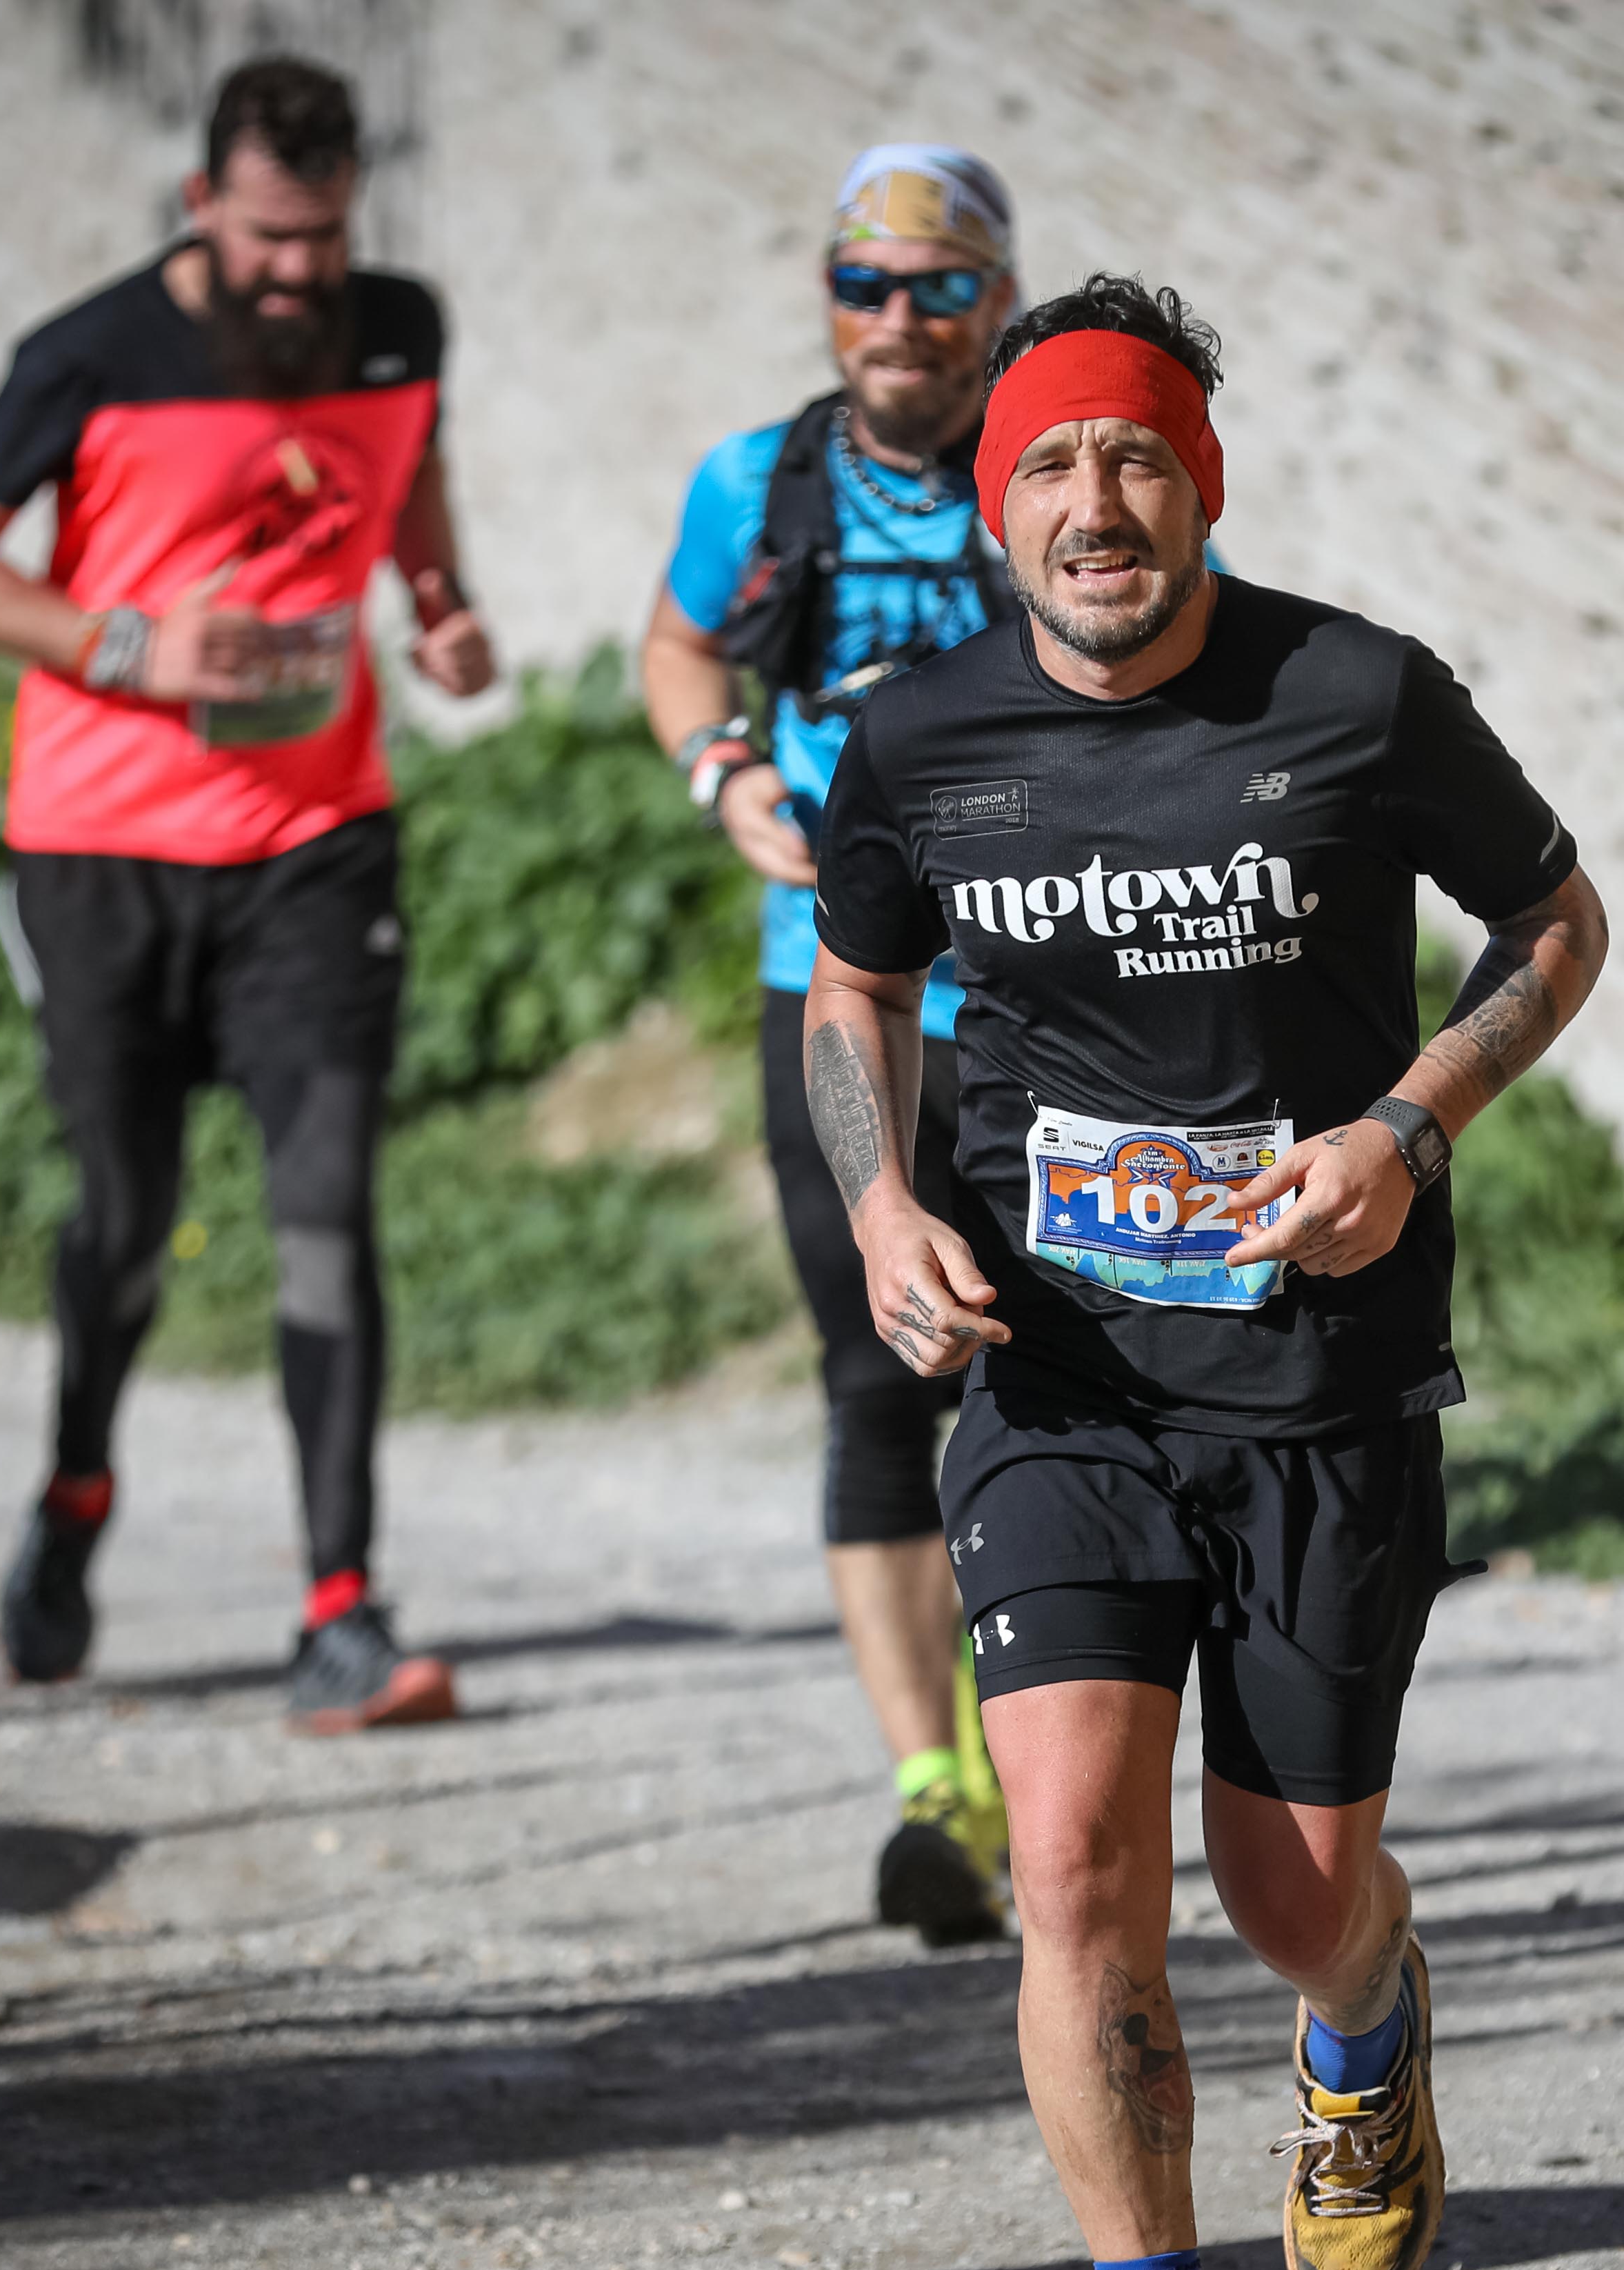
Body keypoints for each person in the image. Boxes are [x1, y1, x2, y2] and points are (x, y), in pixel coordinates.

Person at [806, 277, 1610, 2270]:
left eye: (1134, 456)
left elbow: (1554, 923)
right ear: (996, 504)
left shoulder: (1349, 692)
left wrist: (1410, 1125)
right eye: (1049, 463)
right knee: (1068, 1870)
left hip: (1318, 1391)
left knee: (1288, 1887)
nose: (1094, 501)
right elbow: (855, 975)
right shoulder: (916, 734)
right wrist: (879, 1192)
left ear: (1200, 483)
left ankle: (1366, 2024)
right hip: (1056, 1378)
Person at [0, 53, 494, 1729]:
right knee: (130, 1223)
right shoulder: (91, 353)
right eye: (269, 239)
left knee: (324, 1211)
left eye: (325, 236)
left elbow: (411, 464)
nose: (301, 273)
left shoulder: (399, 322)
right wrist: (129, 643)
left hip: (317, 844)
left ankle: (340, 1606)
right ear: (201, 208)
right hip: (105, 852)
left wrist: (439, 599)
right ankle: (78, 1486)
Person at [641, 143, 1023, 1947]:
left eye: (936, 285)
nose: (895, 317)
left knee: (1045, 1378)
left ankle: (1038, 1742)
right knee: (875, 1377)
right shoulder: (758, 480)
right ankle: (933, 1788)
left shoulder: (1061, 468)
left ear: (993, 301)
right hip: (834, 996)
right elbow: (675, 646)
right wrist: (721, 775)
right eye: (860, 283)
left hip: (1041, 1002)